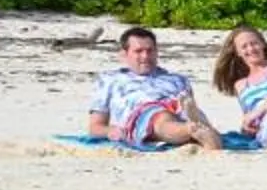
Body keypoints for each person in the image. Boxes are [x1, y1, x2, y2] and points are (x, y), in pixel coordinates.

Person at [85, 26, 232, 151]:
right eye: (138, 51)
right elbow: (95, 127)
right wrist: (111, 131)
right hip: (142, 116)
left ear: (157, 52)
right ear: (124, 55)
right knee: (161, 117)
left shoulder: (178, 79)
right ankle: (193, 130)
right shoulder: (109, 80)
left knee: (183, 110)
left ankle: (198, 128)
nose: (145, 56)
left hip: (177, 111)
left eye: (150, 51)